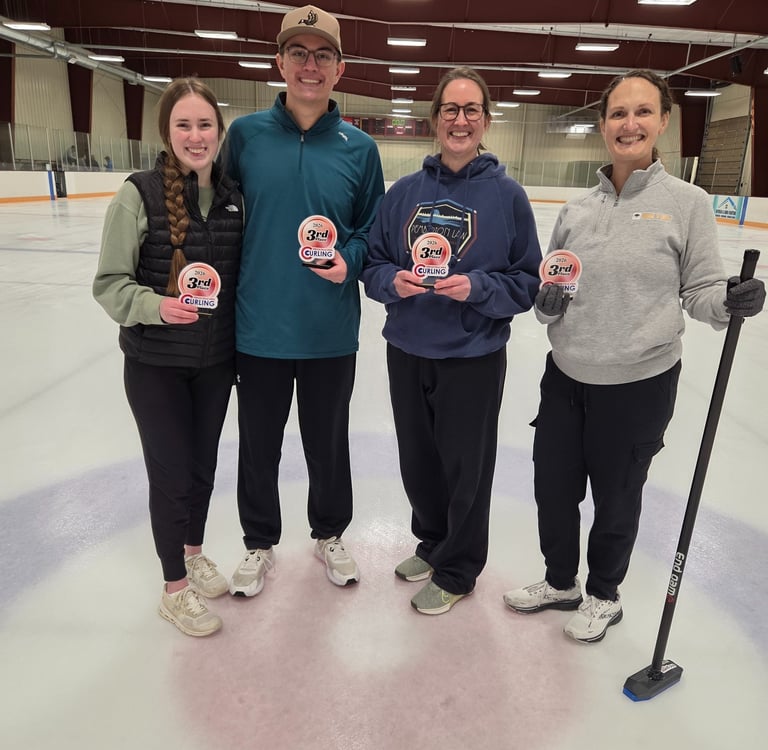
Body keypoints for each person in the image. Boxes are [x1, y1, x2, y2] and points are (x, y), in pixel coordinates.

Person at [503, 69, 766, 643]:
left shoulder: (686, 202)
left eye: (643, 112)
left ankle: (602, 594)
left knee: (617, 495)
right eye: (618, 113)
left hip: (639, 383)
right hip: (567, 375)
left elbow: (699, 292)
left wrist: (729, 299)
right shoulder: (575, 210)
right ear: (602, 125)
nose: (630, 124)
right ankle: (560, 581)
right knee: (553, 487)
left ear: (664, 121)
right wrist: (545, 304)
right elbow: (551, 300)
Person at [360, 67, 542, 615]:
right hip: (408, 349)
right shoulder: (404, 194)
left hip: (472, 357)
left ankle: (459, 569)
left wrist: (478, 287)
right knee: (418, 460)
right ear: (434, 119)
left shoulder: (507, 196)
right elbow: (373, 265)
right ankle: (434, 543)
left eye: (471, 110)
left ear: (485, 121)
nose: (460, 120)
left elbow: (528, 282)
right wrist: (392, 281)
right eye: (450, 110)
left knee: (467, 466)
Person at [221, 5, 384, 595]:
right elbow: (221, 219)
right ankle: (259, 543)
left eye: (322, 55)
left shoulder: (359, 148)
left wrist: (351, 263)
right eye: (298, 53)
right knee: (258, 445)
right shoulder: (244, 137)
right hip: (257, 327)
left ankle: (329, 532)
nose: (309, 66)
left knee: (327, 441)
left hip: (328, 332)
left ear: (339, 69)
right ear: (279, 63)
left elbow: (372, 233)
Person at [93, 77, 243, 637]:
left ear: (219, 133)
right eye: (184, 124)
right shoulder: (138, 194)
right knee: (172, 474)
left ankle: (193, 550)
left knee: (202, 470)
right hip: (154, 363)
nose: (196, 135)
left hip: (214, 363)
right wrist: (157, 306)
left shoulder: (232, 199)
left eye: (205, 124)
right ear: (166, 132)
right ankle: (173, 588)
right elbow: (108, 284)